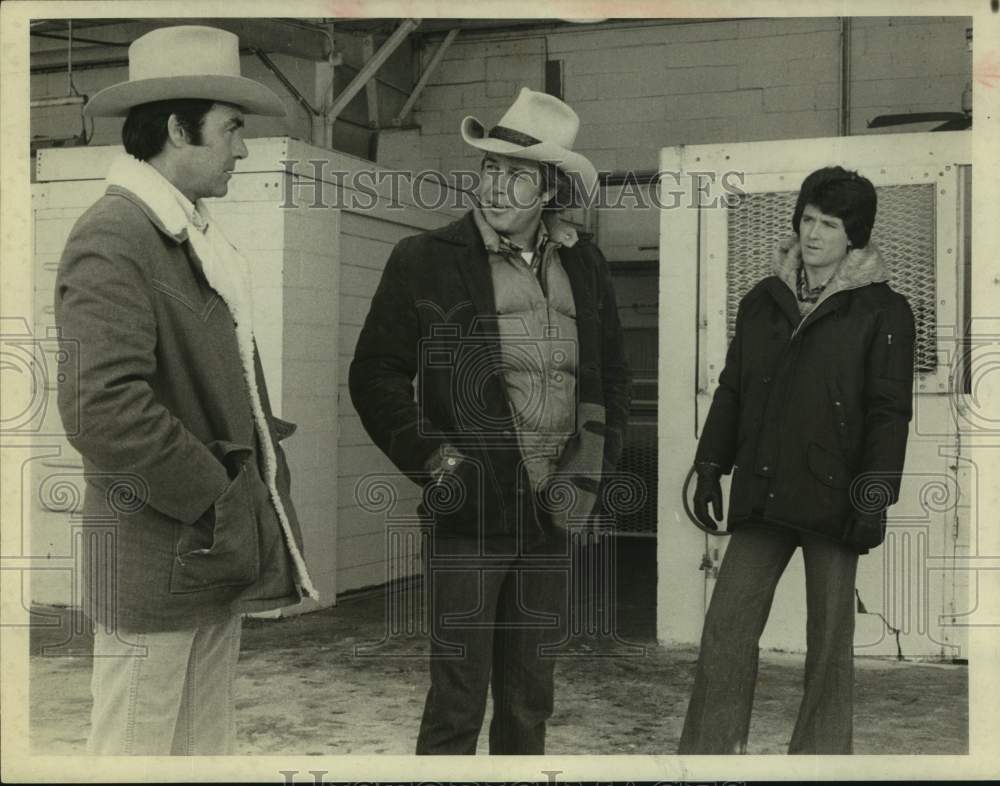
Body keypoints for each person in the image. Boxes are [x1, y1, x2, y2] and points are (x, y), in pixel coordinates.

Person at [54, 25, 317, 755]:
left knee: (201, 754)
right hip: (162, 555)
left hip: (201, 557)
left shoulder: (183, 231)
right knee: (135, 757)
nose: (242, 147)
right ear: (177, 128)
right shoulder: (115, 235)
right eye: (232, 128)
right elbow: (101, 409)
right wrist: (219, 498)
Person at [349, 87, 630, 754]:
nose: (497, 187)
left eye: (517, 175)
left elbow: (611, 377)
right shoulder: (425, 260)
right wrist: (439, 464)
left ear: (552, 190)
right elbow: (374, 374)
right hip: (468, 517)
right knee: (456, 703)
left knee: (530, 702)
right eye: (490, 170)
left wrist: (590, 473)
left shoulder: (584, 264)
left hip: (554, 513)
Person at [679, 166, 915, 754]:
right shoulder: (764, 300)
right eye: (807, 218)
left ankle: (820, 761)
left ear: (854, 236)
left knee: (829, 642)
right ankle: (708, 758)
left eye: (829, 224)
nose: (812, 234)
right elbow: (733, 387)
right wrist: (711, 466)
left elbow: (889, 412)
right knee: (726, 629)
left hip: (836, 496)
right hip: (763, 489)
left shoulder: (883, 310)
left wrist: (875, 494)